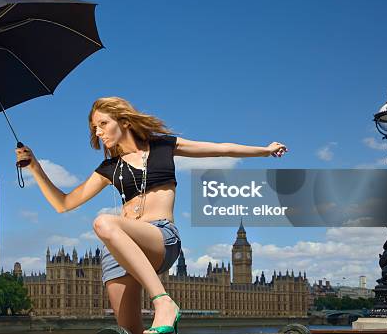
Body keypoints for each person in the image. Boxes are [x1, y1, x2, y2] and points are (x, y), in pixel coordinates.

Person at [15, 96, 288, 334]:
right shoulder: (108, 168)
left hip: (159, 237)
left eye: (102, 124)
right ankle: (163, 313)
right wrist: (36, 168)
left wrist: (264, 151)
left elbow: (219, 148)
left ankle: (163, 300)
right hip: (118, 251)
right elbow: (63, 203)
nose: (97, 133)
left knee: (103, 221)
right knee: (130, 331)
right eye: (94, 128)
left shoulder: (162, 147)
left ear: (124, 121)